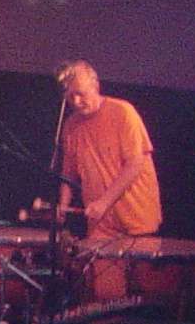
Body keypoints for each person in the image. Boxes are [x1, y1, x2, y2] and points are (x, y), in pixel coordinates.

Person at [54, 60, 161, 300]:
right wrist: (63, 204)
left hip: (137, 218)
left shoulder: (123, 112)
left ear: (95, 85)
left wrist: (104, 202)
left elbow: (135, 163)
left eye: (80, 94)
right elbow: (68, 173)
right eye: (70, 97)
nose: (76, 102)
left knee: (143, 295)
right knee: (106, 295)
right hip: (101, 225)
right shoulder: (71, 126)